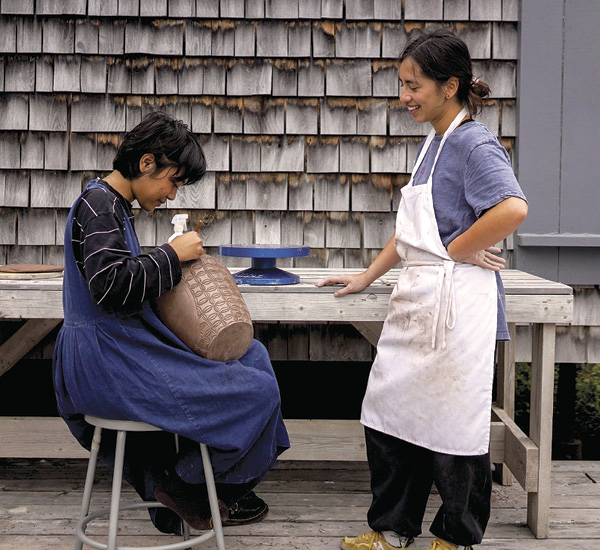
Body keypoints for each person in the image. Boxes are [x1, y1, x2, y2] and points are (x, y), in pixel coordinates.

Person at [317, 29, 528, 550]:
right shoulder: (435, 140)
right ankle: (393, 529)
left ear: (449, 84)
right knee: (391, 413)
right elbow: (414, 229)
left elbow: (513, 208)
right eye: (402, 84)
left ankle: (455, 537)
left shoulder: (474, 142)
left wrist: (456, 249)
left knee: (455, 425)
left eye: (413, 85)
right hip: (418, 297)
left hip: (457, 306)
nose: (404, 96)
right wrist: (368, 274)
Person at [53, 111, 289, 534]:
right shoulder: (100, 205)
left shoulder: (111, 205)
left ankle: (199, 493)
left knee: (253, 357)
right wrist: (172, 255)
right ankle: (185, 485)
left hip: (119, 349)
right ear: (147, 163)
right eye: (173, 181)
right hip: (107, 362)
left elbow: (118, 278)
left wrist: (167, 258)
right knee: (258, 390)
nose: (173, 195)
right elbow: (109, 286)